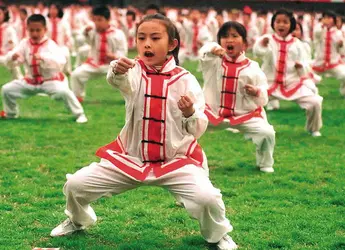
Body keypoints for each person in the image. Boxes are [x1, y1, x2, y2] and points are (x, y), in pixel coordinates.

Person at [50, 13, 238, 250]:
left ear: (171, 44)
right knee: (76, 185)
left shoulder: (186, 79)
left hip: (175, 161)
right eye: (141, 38)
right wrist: (117, 69)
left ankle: (217, 235)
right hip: (131, 158)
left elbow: (198, 127)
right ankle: (78, 220)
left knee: (208, 198)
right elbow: (117, 80)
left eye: (155, 38)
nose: (147, 43)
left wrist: (190, 112)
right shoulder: (134, 71)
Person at [200, 21, 275, 173]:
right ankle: (182, 160)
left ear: (244, 44)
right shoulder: (213, 62)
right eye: (225, 36)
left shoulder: (253, 67)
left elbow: (264, 92)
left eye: (235, 36)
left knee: (267, 133)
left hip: (245, 115)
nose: (229, 40)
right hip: (213, 113)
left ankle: (265, 163)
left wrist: (256, 91)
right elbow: (204, 52)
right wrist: (212, 49)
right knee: (186, 126)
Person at [0, 14, 87, 123]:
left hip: (49, 81)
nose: (34, 33)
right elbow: (15, 59)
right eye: (31, 30)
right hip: (30, 81)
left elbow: (61, 61)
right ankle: (11, 113)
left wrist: (43, 58)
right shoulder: (24, 43)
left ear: (45, 30)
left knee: (65, 92)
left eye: (38, 30)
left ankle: (79, 114)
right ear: (27, 29)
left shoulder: (50, 45)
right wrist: (12, 57)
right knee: (7, 90)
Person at [254, 9, 323, 137]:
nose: (281, 25)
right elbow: (258, 52)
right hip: (270, 84)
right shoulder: (267, 39)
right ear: (273, 24)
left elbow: (307, 64)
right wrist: (262, 45)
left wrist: (301, 65)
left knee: (315, 102)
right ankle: (242, 126)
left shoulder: (298, 44)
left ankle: (313, 129)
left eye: (285, 22)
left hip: (293, 84)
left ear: (291, 24)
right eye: (278, 21)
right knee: (249, 100)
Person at [70, 5, 127, 103]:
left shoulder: (118, 34)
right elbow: (80, 42)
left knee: (128, 77)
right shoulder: (92, 31)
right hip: (94, 64)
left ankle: (131, 98)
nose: (97, 23)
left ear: (108, 19)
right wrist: (85, 32)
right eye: (95, 20)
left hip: (112, 65)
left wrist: (114, 56)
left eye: (100, 20)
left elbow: (123, 52)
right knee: (76, 75)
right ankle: (78, 99)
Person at [312, 10, 345, 97]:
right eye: (324, 17)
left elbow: (341, 51)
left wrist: (341, 45)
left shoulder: (338, 33)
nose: (326, 20)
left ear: (333, 20)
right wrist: (323, 25)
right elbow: (317, 34)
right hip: (318, 63)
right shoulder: (318, 29)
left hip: (333, 63)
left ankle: (344, 90)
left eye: (329, 18)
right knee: (307, 78)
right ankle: (311, 95)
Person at [0, 5, 23, 80]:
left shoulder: (9, 29)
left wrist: (10, 56)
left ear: (5, 15)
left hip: (6, 57)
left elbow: (14, 46)